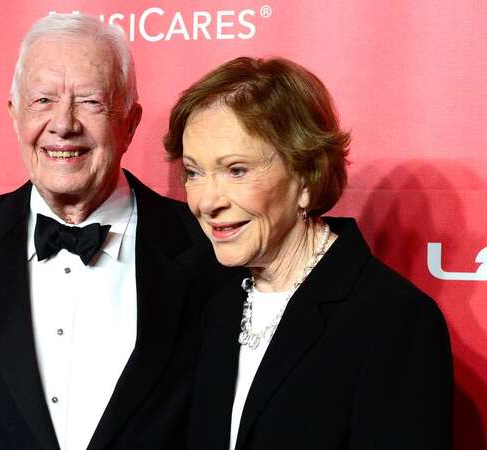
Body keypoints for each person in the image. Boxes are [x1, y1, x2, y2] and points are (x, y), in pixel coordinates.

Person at [0, 13, 229, 450]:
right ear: (15, 115)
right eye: (42, 101)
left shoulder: (210, 249)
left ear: (129, 123)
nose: (64, 124)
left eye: (90, 101)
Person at [163, 57, 453, 449]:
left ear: (307, 178)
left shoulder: (392, 319)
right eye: (194, 173)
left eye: (236, 170)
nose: (206, 201)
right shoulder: (215, 303)